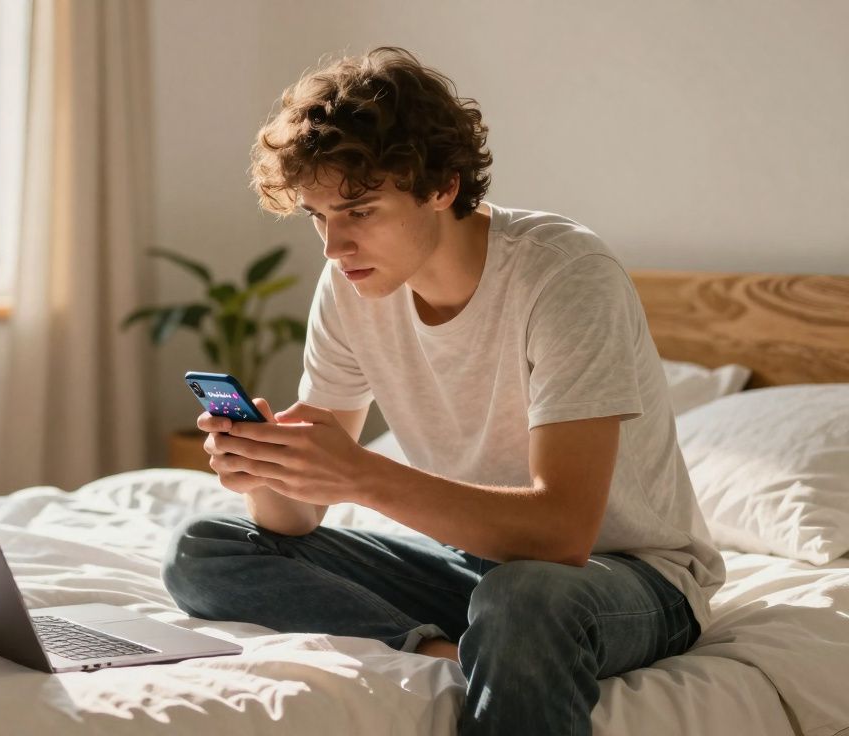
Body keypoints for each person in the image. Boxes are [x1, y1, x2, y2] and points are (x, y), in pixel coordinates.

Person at [161, 46, 724, 736]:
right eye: (318, 216)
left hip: (626, 577)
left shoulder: (565, 275)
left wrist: (362, 477)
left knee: (524, 597)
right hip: (476, 568)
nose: (334, 247)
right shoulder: (352, 285)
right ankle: (439, 648)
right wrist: (267, 468)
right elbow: (296, 523)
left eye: (360, 210)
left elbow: (564, 535)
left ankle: (492, 637)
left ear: (442, 186)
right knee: (207, 545)